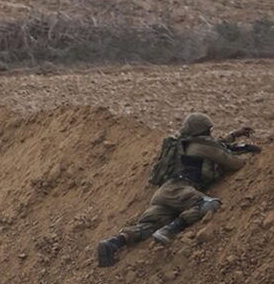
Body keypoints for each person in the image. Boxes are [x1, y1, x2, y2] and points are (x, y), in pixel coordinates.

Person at [96, 113, 259, 267]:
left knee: (147, 225)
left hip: (163, 193)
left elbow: (215, 143)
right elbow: (234, 162)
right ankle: (170, 229)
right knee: (209, 204)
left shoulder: (180, 142)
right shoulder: (203, 145)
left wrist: (234, 135)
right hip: (183, 190)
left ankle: (113, 243)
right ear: (204, 131)